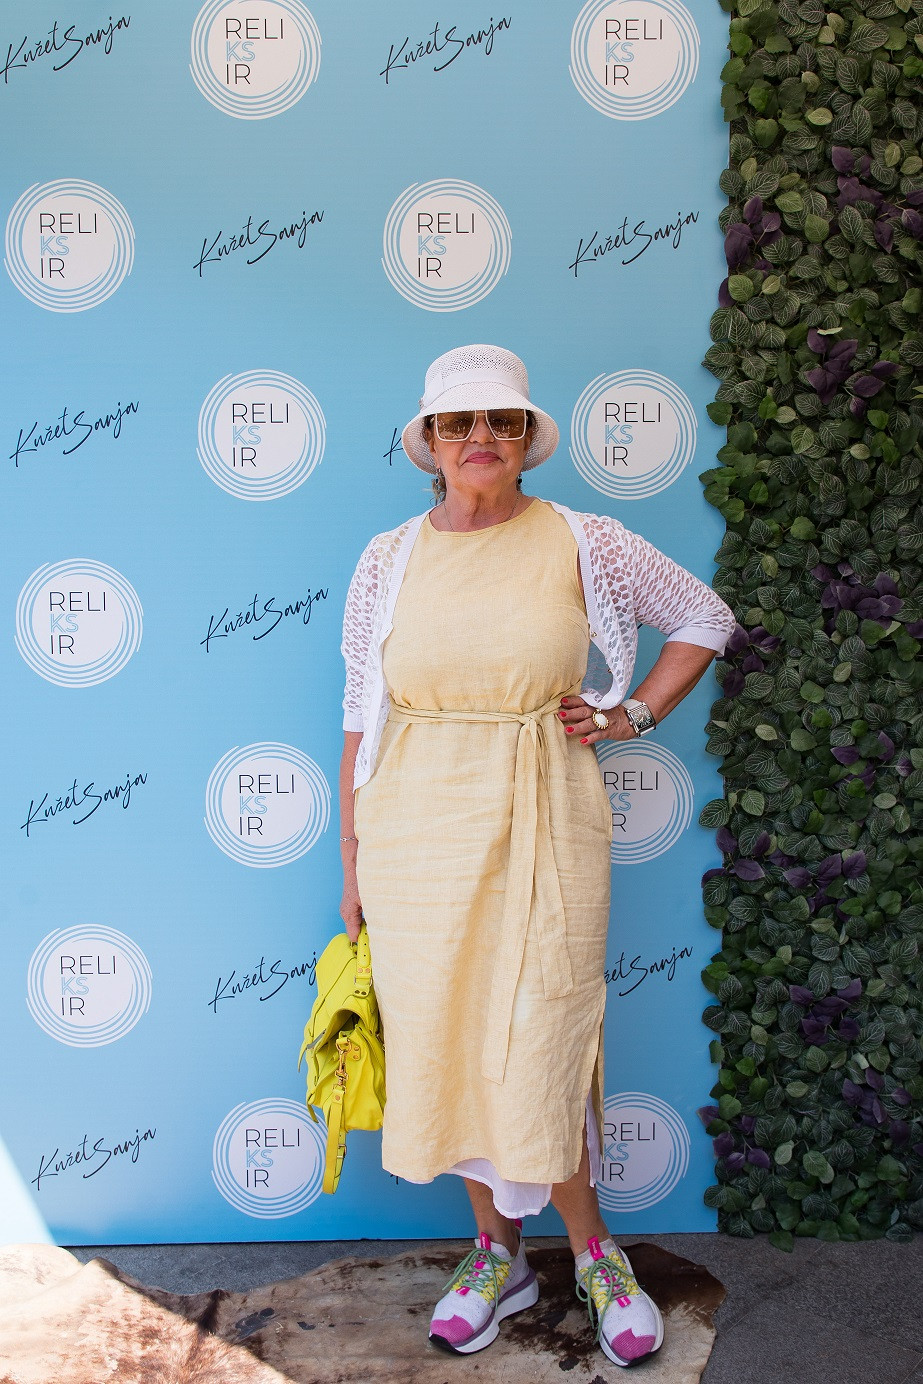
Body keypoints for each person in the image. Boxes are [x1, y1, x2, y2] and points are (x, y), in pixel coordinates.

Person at [338, 344, 735, 1368]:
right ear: (428, 441)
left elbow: (705, 617)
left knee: (540, 1032)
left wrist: (630, 712)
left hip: (543, 809)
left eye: (501, 421)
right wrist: (350, 858)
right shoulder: (386, 558)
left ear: (524, 439)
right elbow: (360, 714)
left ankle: (594, 1251)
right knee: (445, 1034)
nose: (480, 438)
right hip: (413, 828)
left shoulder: (583, 539)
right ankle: (495, 1254)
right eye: (458, 422)